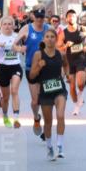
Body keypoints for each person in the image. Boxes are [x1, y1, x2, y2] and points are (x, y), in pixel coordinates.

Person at [29, 28, 68, 160]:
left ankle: (60, 146)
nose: (50, 39)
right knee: (48, 122)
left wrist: (67, 75)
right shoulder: (38, 54)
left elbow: (66, 65)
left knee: (60, 115)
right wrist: (39, 66)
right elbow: (32, 76)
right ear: (43, 39)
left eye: (52, 37)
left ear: (56, 39)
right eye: (47, 36)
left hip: (59, 89)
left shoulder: (61, 54)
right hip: (45, 91)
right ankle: (49, 146)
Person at [17, 8, 49, 137]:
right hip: (31, 68)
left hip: (46, 67)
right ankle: (36, 117)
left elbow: (58, 45)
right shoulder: (26, 29)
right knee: (35, 101)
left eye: (42, 17)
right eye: (38, 16)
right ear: (33, 16)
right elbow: (14, 44)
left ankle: (47, 128)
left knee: (46, 100)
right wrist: (20, 48)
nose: (40, 19)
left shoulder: (48, 29)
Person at [60, 9, 86, 115]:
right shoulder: (64, 33)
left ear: (76, 17)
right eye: (69, 16)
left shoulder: (83, 29)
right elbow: (58, 47)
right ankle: (76, 105)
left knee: (81, 83)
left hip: (81, 59)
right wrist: (65, 45)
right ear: (66, 18)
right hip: (70, 61)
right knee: (72, 87)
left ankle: (80, 98)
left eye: (73, 16)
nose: (71, 18)